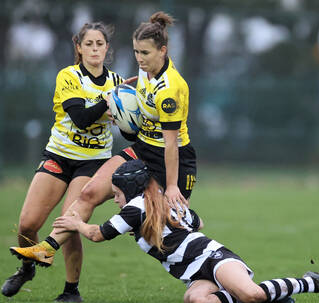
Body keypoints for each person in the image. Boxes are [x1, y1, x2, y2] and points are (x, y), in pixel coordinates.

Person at [6, 11, 197, 277]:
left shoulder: (170, 89)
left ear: (163, 51)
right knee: (88, 194)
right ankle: (46, 249)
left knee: (171, 227)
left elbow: (171, 145)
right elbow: (130, 127)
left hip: (171, 157)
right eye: (136, 53)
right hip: (140, 148)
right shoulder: (141, 74)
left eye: (145, 53)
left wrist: (173, 185)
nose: (139, 59)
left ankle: (206, 268)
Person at [10, 160, 319, 303]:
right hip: (196, 275)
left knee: (250, 292)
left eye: (116, 193)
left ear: (129, 189)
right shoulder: (149, 205)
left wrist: (74, 223)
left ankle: (309, 282)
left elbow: (96, 234)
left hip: (215, 259)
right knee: (197, 301)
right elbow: (199, 222)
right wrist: (179, 214)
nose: (114, 199)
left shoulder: (133, 208)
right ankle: (273, 300)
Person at [1, 21, 129, 303]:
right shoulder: (69, 76)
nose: (94, 49)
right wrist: (110, 102)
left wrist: (130, 115)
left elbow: (130, 130)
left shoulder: (119, 82)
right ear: (79, 47)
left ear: (107, 48)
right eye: (89, 44)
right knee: (27, 224)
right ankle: (27, 268)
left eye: (99, 44)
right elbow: (82, 119)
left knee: (70, 221)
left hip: (93, 162)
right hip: (59, 155)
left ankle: (71, 291)